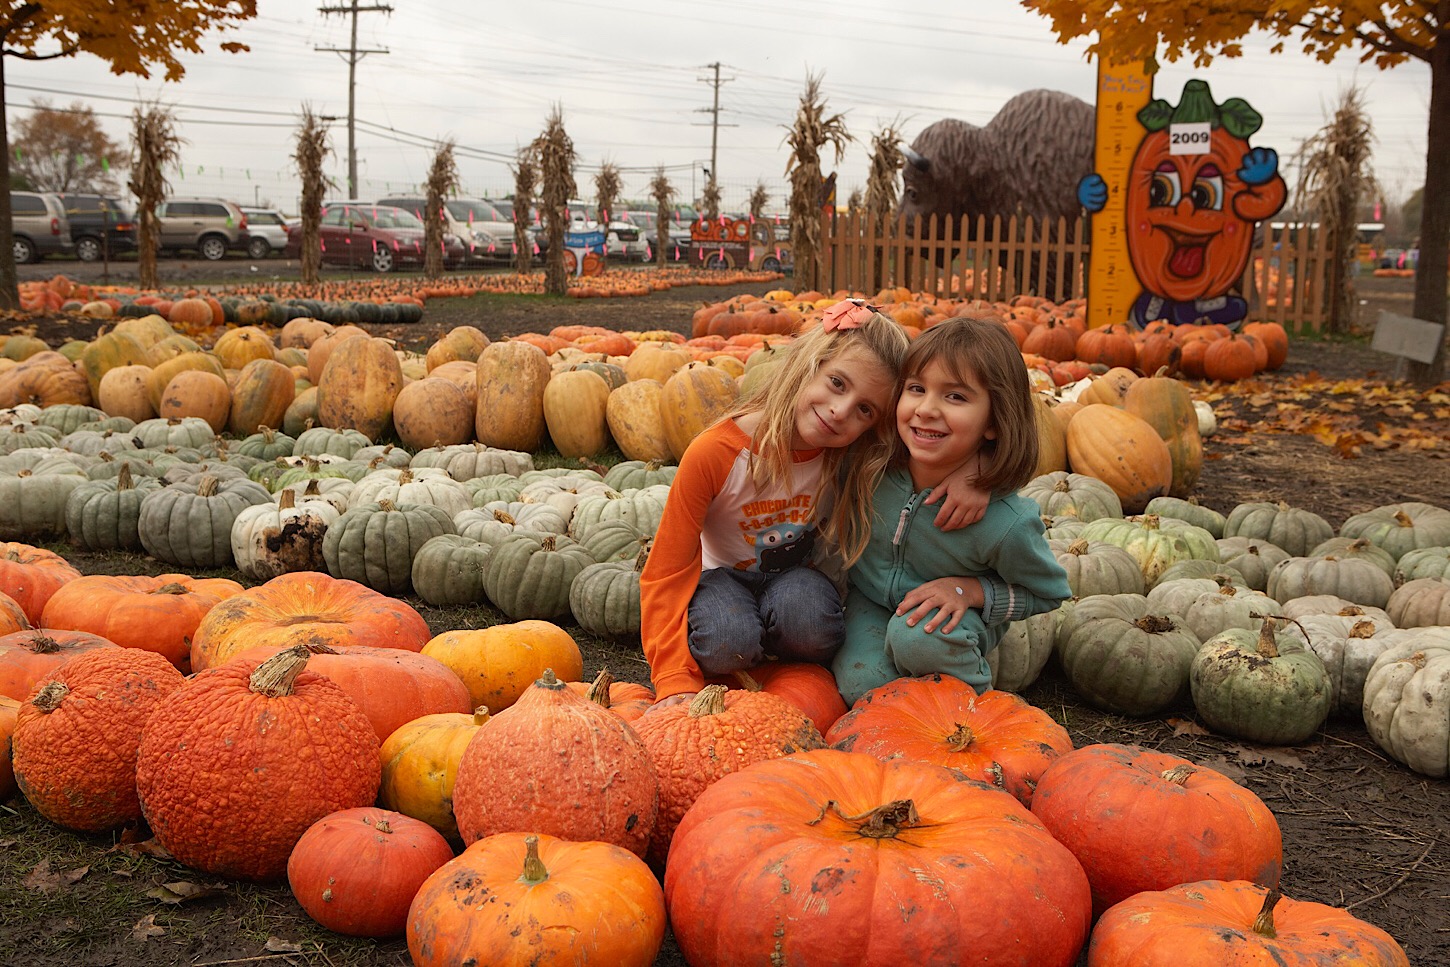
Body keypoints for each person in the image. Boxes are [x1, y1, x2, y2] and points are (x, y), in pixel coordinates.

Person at [639, 301, 985, 713]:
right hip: (722, 579)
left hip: (795, 580)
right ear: (809, 364)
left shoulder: (850, 456)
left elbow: (932, 444)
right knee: (725, 644)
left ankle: (778, 656)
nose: (840, 412)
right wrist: (674, 678)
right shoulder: (714, 453)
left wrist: (978, 472)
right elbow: (667, 570)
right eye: (837, 383)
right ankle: (748, 643)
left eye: (864, 410)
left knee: (811, 624)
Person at [832, 315, 1072, 704]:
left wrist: (967, 589)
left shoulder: (1005, 522)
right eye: (916, 388)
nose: (926, 409)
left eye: (955, 396)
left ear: (994, 420)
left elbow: (1048, 593)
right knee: (863, 689)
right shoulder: (872, 465)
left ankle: (974, 711)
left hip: (945, 622)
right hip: (872, 603)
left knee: (919, 639)